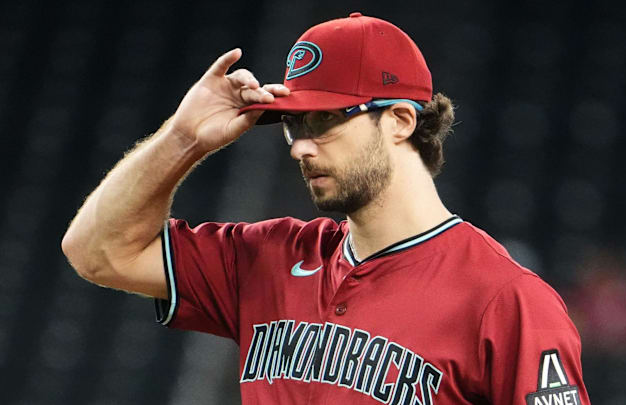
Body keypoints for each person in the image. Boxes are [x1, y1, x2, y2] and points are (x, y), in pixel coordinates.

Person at [62, 12, 591, 405]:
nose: (299, 146)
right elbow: (97, 253)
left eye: (326, 121)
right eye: (295, 124)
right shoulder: (267, 256)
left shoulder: (507, 300)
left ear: (401, 121)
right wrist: (182, 138)